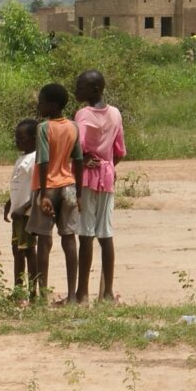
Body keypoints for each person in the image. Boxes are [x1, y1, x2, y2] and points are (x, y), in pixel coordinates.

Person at [26, 83, 83, 304]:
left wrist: (43, 194)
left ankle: (42, 294)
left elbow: (43, 160)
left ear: (52, 104)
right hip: (68, 186)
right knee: (69, 239)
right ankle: (71, 296)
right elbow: (78, 160)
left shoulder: (43, 127)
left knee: (44, 240)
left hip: (48, 186)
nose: (38, 105)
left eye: (41, 101)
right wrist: (79, 193)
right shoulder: (74, 127)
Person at [74, 69, 126, 304]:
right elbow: (120, 151)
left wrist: (85, 160)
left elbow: (78, 147)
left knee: (85, 235)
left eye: (81, 87)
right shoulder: (115, 113)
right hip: (107, 177)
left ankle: (82, 293)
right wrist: (109, 167)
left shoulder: (83, 115)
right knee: (106, 235)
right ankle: (107, 293)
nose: (77, 91)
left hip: (86, 177)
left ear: (94, 90)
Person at [4, 119, 38, 303]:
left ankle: (33, 293)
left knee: (29, 251)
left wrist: (24, 207)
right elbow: (18, 185)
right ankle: (18, 291)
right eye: (16, 138)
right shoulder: (21, 158)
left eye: (21, 138)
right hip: (17, 214)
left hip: (26, 214)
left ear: (33, 139)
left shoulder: (34, 160)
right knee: (17, 251)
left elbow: (38, 189)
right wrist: (10, 203)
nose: (17, 142)